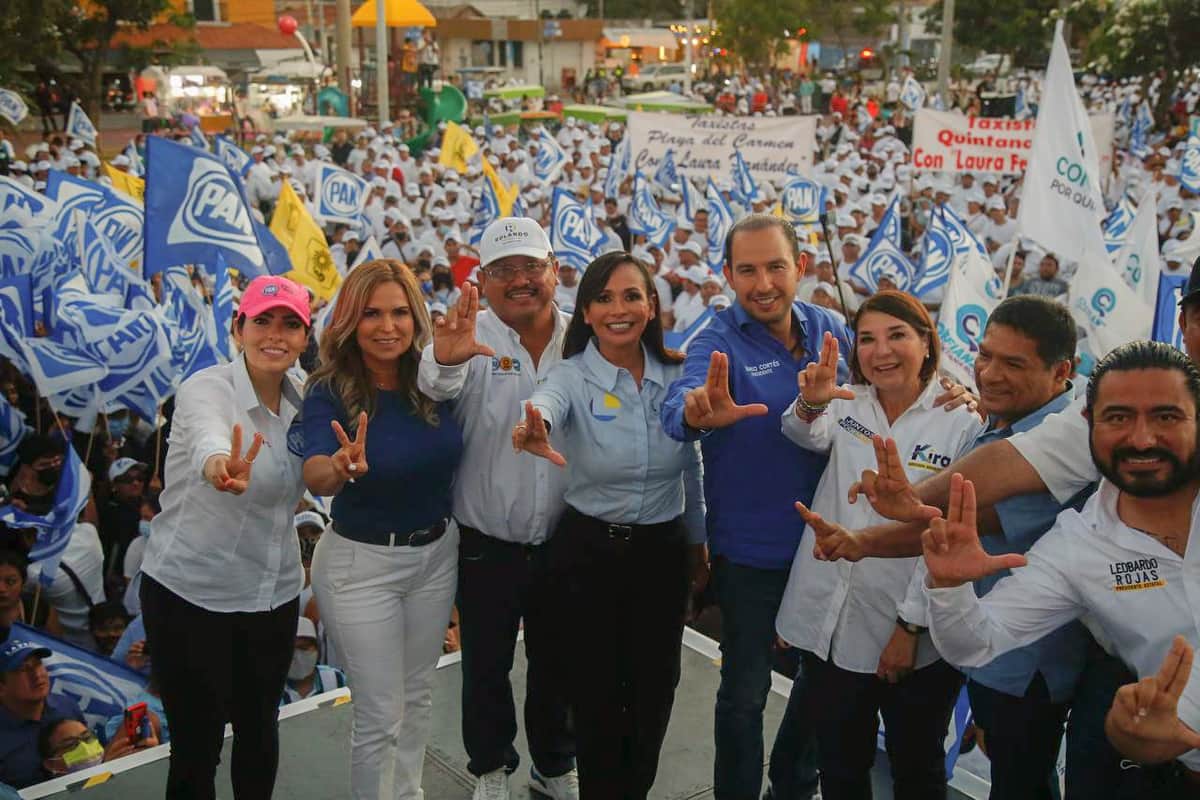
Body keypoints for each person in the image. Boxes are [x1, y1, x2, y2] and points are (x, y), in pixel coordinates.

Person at [807, 296, 1093, 800]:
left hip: (1022, 665)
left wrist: (873, 535)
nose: (990, 373)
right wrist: (862, 540)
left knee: (1016, 781)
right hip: (991, 656)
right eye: (985, 356)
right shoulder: (999, 420)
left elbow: (948, 527)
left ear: (1062, 370)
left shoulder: (1053, 444)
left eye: (1013, 363)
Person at [921, 340, 1200, 797]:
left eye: (1166, 416)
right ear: (1088, 423)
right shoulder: (1078, 547)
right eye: (1118, 417)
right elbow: (977, 641)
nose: (1142, 438)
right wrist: (949, 585)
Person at [660, 214, 852, 800]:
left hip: (831, 546)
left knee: (821, 685)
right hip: (753, 552)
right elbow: (678, 407)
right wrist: (697, 411)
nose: (763, 282)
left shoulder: (832, 329)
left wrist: (953, 391)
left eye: (775, 266)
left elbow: (897, 384)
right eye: (747, 270)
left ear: (801, 268)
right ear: (727, 275)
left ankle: (792, 787)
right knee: (744, 694)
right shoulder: (716, 340)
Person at [512, 252, 705, 798]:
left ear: (651, 307)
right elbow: (546, 402)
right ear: (587, 312)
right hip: (589, 554)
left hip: (661, 554)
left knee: (655, 690)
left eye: (631, 296)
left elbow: (690, 461)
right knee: (596, 695)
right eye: (604, 298)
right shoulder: (570, 375)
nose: (618, 309)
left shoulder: (677, 372)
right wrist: (536, 423)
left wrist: (699, 540)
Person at [779, 292, 983, 799]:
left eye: (897, 335)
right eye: (867, 339)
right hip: (832, 623)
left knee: (916, 770)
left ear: (927, 342)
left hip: (912, 634)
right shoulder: (851, 400)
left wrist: (908, 627)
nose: (881, 351)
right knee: (841, 767)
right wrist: (813, 399)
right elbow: (802, 431)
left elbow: (942, 536)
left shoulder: (962, 421)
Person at [417, 217, 577, 800]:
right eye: (504, 270)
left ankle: (554, 766)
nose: (520, 281)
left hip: (564, 537)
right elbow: (432, 390)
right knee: (485, 666)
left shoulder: (582, 336)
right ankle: (490, 768)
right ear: (481, 280)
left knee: (558, 664)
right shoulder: (466, 333)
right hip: (487, 541)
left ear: (554, 271)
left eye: (531, 267)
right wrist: (444, 360)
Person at [139, 275, 314, 800]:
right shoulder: (205, 387)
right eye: (262, 321)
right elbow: (211, 438)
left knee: (261, 732)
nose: (275, 335)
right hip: (192, 596)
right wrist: (221, 466)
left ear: (306, 338)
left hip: (272, 594)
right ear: (238, 328)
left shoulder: (307, 398)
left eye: (290, 324)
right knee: (197, 746)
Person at [304, 260, 463, 800]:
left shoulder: (435, 377)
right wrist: (340, 468)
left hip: (436, 556)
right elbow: (316, 472)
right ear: (350, 319)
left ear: (416, 317)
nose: (387, 326)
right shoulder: (328, 388)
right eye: (371, 313)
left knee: (417, 696)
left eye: (399, 312)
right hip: (360, 568)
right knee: (379, 713)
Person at [0, 638, 86, 789]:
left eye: (38, 664)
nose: (37, 675)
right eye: (23, 670)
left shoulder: (67, 706)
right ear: (2, 687)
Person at [282, 617, 346, 704]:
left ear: (317, 649)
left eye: (303, 648)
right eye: (291, 650)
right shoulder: (272, 691)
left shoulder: (335, 679)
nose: (297, 655)